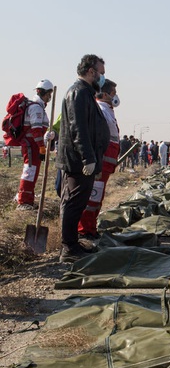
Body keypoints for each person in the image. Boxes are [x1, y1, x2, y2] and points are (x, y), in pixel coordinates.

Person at [56, 54, 110, 262]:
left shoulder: (86, 93)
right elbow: (78, 128)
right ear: (91, 72)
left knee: (79, 201)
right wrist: (88, 158)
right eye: (101, 73)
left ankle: (72, 243)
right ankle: (68, 247)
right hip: (77, 161)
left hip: (84, 159)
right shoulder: (77, 93)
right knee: (73, 202)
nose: (103, 78)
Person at [77, 79, 120, 241]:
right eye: (113, 93)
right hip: (100, 163)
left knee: (97, 197)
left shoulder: (107, 110)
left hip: (106, 164)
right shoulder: (100, 109)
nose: (115, 97)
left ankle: (90, 227)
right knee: (92, 197)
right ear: (104, 94)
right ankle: (85, 230)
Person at [15, 79, 55, 210]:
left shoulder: (39, 107)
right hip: (32, 146)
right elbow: (36, 131)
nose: (50, 97)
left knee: (32, 172)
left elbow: (40, 131)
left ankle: (28, 199)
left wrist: (47, 137)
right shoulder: (36, 108)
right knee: (30, 171)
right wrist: (42, 147)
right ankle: (23, 201)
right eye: (49, 93)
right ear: (44, 92)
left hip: (34, 145)